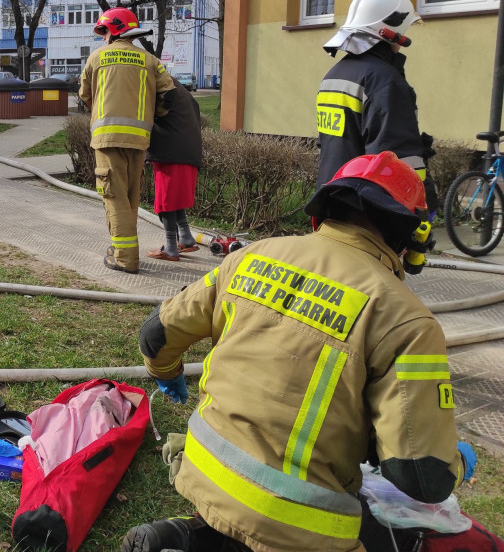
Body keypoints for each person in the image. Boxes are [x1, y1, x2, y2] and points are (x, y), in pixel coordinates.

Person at [124, 152, 476, 552]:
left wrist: (167, 372)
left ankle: (193, 538)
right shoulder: (408, 321)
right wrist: (457, 461)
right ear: (408, 241)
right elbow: (421, 475)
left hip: (202, 467)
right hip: (297, 517)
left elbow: (156, 334)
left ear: (324, 210)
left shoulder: (252, 256)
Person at [316, 0, 438, 215]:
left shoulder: (333, 75)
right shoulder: (384, 81)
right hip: (367, 211)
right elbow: (395, 159)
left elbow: (329, 145)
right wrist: (421, 206)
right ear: (392, 33)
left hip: (330, 199)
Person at [79, 7, 175, 274]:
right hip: (139, 139)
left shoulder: (97, 57)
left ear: (113, 30)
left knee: (114, 197)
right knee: (130, 197)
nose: (103, 37)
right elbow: (168, 96)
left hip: (107, 139)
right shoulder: (150, 60)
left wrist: (102, 110)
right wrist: (151, 115)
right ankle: (123, 249)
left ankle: (125, 258)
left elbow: (85, 94)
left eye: (104, 32)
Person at [146, 79, 203, 261]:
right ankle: (186, 237)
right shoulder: (176, 86)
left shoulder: (158, 85)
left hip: (171, 150)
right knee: (175, 197)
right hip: (188, 148)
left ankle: (171, 248)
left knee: (166, 201)